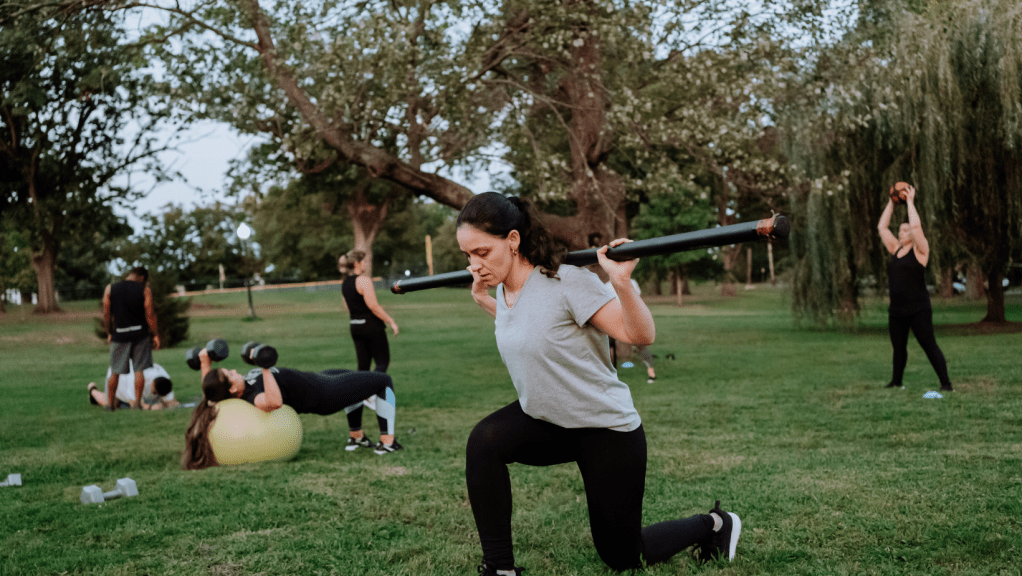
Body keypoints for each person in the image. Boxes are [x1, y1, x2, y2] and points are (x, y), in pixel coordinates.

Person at [457, 193, 741, 576]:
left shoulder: (568, 282)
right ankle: (499, 569)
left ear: (512, 239)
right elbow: (531, 328)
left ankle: (716, 523)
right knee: (484, 442)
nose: (475, 265)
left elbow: (639, 335)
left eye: (482, 252)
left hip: (604, 430)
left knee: (623, 556)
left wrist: (620, 283)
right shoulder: (508, 292)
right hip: (547, 422)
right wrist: (484, 301)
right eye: (468, 256)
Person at [181, 347, 401, 470]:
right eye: (230, 374)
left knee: (357, 383)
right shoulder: (253, 397)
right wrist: (264, 367)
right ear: (231, 389)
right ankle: (388, 442)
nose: (233, 370)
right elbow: (274, 402)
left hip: (318, 378)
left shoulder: (231, 391)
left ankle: (356, 438)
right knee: (382, 380)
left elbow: (211, 392)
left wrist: (204, 362)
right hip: (325, 395)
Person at [877, 184, 953, 391]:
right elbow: (882, 228)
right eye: (900, 230)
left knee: (929, 345)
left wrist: (910, 201)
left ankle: (946, 384)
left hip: (918, 309)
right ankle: (896, 383)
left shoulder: (921, 251)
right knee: (899, 349)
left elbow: (917, 227)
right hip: (897, 310)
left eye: (905, 230)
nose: (901, 233)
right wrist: (891, 202)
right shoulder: (895, 249)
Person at [338, 249, 399, 436]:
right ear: (357, 264)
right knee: (382, 362)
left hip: (355, 327)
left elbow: (347, 306)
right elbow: (373, 306)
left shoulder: (345, 283)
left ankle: (361, 396)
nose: (365, 265)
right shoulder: (363, 281)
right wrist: (390, 320)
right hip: (372, 327)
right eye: (364, 262)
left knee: (363, 366)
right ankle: (368, 393)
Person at [102, 267, 160, 410]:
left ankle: (110, 404)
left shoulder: (110, 288)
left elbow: (106, 314)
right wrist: (156, 334)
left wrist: (109, 332)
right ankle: (138, 403)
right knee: (139, 370)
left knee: (115, 371)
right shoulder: (144, 290)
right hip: (140, 335)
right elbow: (149, 314)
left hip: (119, 334)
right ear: (141, 277)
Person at [607, 278, 657, 383]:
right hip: (623, 318)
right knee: (609, 346)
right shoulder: (630, 282)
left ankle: (651, 375)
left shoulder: (626, 283)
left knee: (639, 346)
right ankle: (651, 375)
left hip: (625, 318)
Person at [87, 362, 180, 410]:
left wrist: (170, 404)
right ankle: (92, 389)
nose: (155, 395)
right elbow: (134, 404)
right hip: (119, 378)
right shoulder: (136, 380)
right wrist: (151, 408)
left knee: (124, 405)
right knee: (112, 404)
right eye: (155, 393)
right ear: (152, 385)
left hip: (131, 370)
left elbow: (171, 401)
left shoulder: (164, 378)